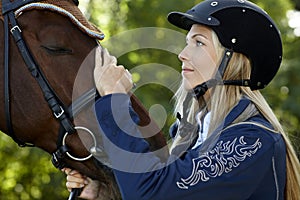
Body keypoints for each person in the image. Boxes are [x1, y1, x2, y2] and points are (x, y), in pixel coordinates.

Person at [63, 0, 300, 199]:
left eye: (199, 43)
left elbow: (151, 193)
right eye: (187, 43)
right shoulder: (193, 136)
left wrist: (116, 103)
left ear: (233, 62)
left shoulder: (253, 140)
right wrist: (107, 192)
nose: (182, 54)